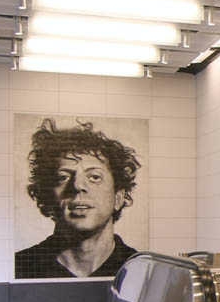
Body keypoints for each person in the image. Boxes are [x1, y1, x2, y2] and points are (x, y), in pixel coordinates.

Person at [15, 119, 141, 280]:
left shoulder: (141, 271)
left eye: (94, 177)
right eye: (63, 177)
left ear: (118, 197)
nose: (77, 185)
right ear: (47, 197)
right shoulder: (21, 267)